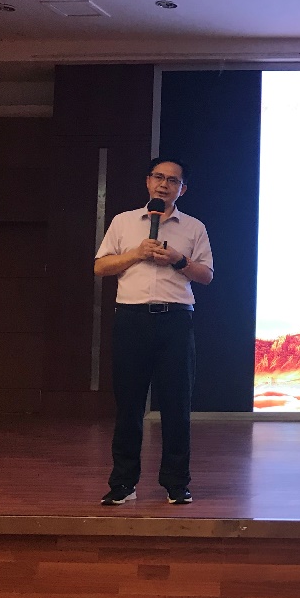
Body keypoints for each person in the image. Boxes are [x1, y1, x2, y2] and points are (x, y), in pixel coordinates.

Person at [93, 156, 214, 506]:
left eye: (173, 180)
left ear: (182, 189)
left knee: (177, 405)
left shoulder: (194, 227)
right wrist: (136, 254)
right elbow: (100, 266)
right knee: (128, 405)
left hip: (176, 320)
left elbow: (206, 275)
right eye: (158, 177)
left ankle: (176, 483)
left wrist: (178, 259)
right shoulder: (123, 221)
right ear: (148, 181)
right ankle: (123, 483)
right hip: (131, 319)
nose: (164, 185)